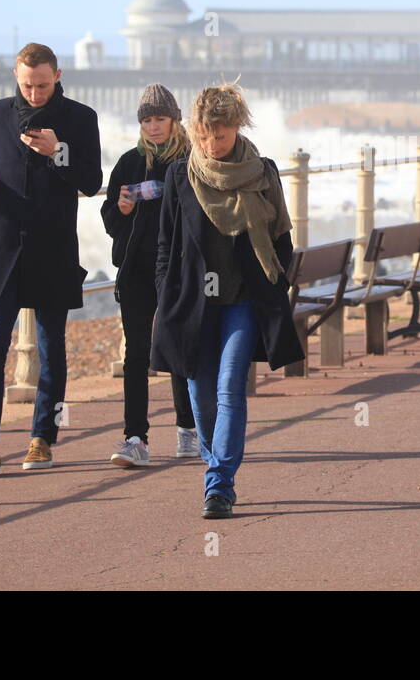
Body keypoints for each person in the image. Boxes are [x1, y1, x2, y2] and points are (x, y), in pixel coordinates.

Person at [152, 83, 303, 519]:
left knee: (230, 389)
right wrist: (167, 294)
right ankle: (214, 461)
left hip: (243, 300)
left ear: (237, 126)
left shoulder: (263, 171)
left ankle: (219, 484)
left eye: (219, 135)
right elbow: (166, 246)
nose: (210, 144)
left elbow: (281, 240)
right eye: (202, 135)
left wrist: (274, 285)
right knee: (199, 397)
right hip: (193, 302)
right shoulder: (180, 175)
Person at [0, 43, 103, 473]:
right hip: (2, 249)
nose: (34, 92)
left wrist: (58, 150)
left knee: (52, 350)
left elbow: (92, 181)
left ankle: (42, 439)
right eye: (26, 84)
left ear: (57, 75)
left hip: (53, 247)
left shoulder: (80, 117)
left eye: (41, 84)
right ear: (16, 78)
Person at [101, 84, 198, 467]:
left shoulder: (191, 160)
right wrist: (121, 209)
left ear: (175, 121)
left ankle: (188, 430)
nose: (153, 127)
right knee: (137, 354)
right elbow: (109, 222)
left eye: (160, 119)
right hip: (136, 270)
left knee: (178, 349)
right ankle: (135, 438)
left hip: (178, 269)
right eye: (146, 120)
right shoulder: (128, 163)